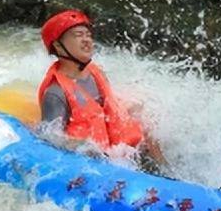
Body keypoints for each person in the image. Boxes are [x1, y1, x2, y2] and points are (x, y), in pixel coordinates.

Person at [37, 9, 164, 163]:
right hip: (93, 164)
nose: (86, 40)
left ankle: (170, 175)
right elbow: (49, 137)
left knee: (146, 125)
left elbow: (110, 110)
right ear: (57, 46)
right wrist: (80, 145)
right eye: (78, 35)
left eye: (88, 35)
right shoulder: (55, 94)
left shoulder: (98, 74)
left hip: (122, 153)